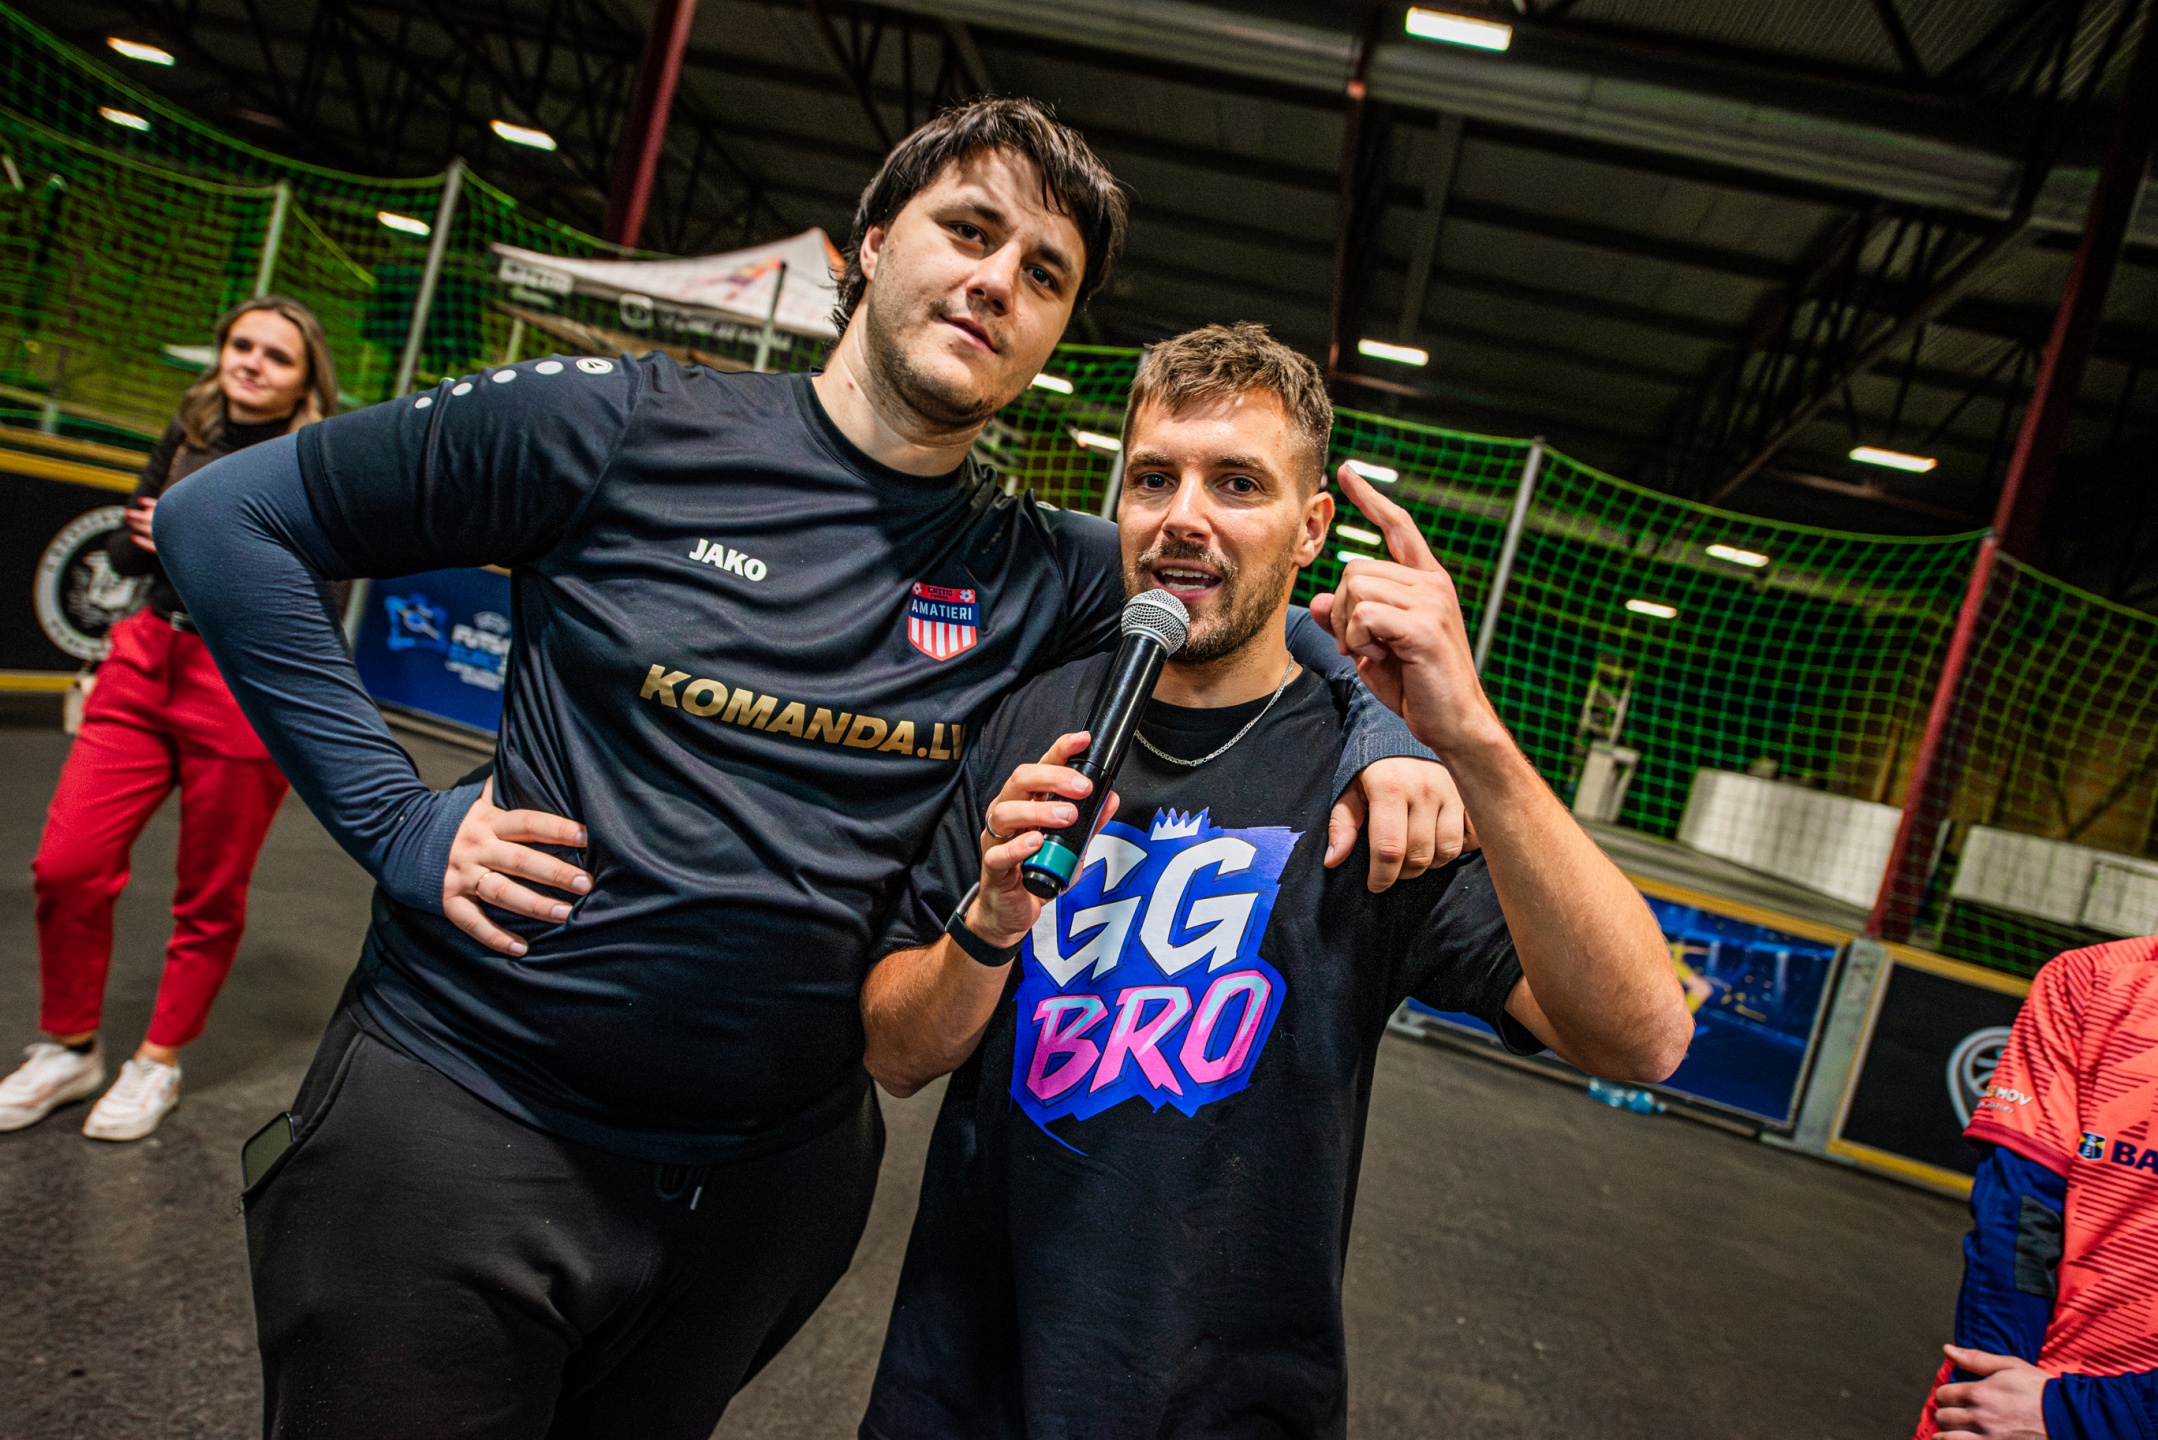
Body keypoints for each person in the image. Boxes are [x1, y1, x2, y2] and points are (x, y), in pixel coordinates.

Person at [156, 102, 1461, 1437]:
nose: (996, 281)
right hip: (466, 1123)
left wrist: (1385, 733)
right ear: (871, 243)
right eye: (969, 230)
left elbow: (1248, 603)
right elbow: (224, 519)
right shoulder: (619, 424)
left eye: (1044, 273)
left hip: (757, 1199)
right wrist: (397, 824)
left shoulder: (1041, 563)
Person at [856, 323, 1694, 1437]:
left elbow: (1644, 1041)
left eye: (1237, 483)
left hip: (1226, 1406)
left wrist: (1469, 738)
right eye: (1153, 478)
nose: (1182, 516)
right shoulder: (1033, 718)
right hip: (960, 1391)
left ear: (1311, 531)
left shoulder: (1375, 783)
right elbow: (895, 1053)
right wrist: (990, 923)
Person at [0, 296, 339, 1143]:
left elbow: (324, 600)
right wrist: (156, 537)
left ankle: (159, 1059)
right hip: (146, 657)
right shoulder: (188, 431)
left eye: (277, 355)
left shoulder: (317, 461)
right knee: (66, 865)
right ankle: (70, 1047)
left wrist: (210, 546)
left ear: (306, 380)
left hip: (242, 680)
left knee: (209, 891)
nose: (252, 362)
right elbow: (122, 549)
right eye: (241, 344)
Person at [1912, 935, 2158, 1440]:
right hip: (2018, 1405)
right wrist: (1992, 1398)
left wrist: (2071, 1416)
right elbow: (2018, 1213)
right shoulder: (2092, 979)